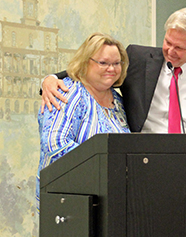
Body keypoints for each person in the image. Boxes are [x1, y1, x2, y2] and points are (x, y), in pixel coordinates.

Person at [41, 6, 186, 133]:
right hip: (139, 163)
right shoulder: (138, 58)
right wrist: (50, 78)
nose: (170, 51)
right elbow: (96, 69)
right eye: (168, 42)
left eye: (180, 48)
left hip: (184, 169)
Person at [36, 32, 130, 212]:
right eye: (103, 63)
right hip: (69, 203)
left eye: (116, 63)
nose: (111, 68)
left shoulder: (119, 101)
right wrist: (107, 169)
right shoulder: (66, 92)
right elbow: (54, 145)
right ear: (85, 62)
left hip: (110, 203)